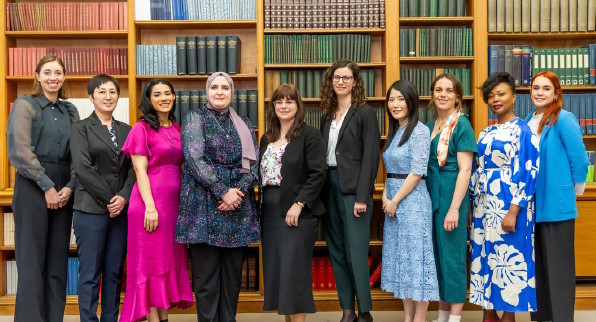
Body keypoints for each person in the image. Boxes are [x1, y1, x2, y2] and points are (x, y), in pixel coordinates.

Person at [175, 72, 260, 322]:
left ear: (232, 92)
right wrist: (223, 190)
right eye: (215, 87)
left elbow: (254, 165)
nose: (220, 92)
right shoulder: (195, 118)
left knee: (232, 280)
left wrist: (238, 192)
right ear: (207, 91)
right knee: (207, 281)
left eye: (225, 87)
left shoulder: (243, 123)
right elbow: (194, 159)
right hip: (203, 207)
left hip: (237, 208)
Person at [6, 54, 79, 322]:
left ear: (64, 77)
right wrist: (47, 186)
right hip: (32, 185)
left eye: (58, 72)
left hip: (64, 188)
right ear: (37, 76)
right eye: (47, 72)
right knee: (32, 263)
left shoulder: (70, 110)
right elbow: (20, 150)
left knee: (57, 263)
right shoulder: (26, 104)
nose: (53, 77)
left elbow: (77, 154)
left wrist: (70, 186)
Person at [119, 78, 193, 322]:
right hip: (149, 204)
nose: (164, 97)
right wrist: (150, 207)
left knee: (165, 262)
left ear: (173, 97)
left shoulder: (177, 129)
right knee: (150, 264)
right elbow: (139, 170)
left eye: (168, 93)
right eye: (157, 94)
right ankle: (152, 319)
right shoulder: (141, 128)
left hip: (173, 207)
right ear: (148, 100)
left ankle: (163, 317)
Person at [469, 72, 540, 322]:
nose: (495, 100)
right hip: (484, 206)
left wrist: (513, 211)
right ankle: (489, 313)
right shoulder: (485, 133)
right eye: (490, 96)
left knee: (509, 258)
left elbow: (529, 172)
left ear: (513, 96)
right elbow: (476, 170)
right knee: (485, 255)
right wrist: (471, 204)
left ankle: (508, 316)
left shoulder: (524, 131)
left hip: (511, 206)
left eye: (501, 94)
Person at [69, 74, 135, 322]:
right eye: (101, 92)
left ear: (119, 96)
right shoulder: (81, 128)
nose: (108, 96)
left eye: (113, 92)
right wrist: (112, 200)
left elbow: (133, 169)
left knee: (114, 271)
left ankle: (110, 318)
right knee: (90, 273)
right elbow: (83, 169)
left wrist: (124, 198)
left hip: (120, 212)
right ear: (91, 97)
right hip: (90, 210)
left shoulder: (126, 129)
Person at [525, 71, 589, 322]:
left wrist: (572, 191)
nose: (539, 92)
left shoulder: (564, 118)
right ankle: (542, 318)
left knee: (559, 270)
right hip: (532, 207)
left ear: (556, 93)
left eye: (546, 88)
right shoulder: (529, 120)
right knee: (538, 268)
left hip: (557, 205)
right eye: (535, 88)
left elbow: (580, 159)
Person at [320, 59, 380, 322]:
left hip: (353, 191)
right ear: (330, 81)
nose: (340, 82)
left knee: (356, 251)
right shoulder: (326, 115)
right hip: (328, 188)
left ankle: (364, 311)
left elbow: (371, 157)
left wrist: (362, 196)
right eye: (336, 77)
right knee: (337, 251)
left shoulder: (364, 113)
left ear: (355, 82)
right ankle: (347, 309)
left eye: (346, 78)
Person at [260, 84, 326, 322]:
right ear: (273, 107)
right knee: (280, 275)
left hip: (297, 211)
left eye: (289, 101)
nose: (284, 106)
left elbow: (318, 173)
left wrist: (299, 204)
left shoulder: (310, 135)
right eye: (279, 102)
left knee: (294, 274)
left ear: (298, 106)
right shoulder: (266, 139)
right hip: (269, 213)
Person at [380, 80, 439, 322]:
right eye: (391, 99)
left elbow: (416, 172)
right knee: (402, 262)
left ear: (411, 101)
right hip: (393, 200)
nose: (395, 104)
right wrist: (385, 196)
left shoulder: (420, 131)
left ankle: (420, 319)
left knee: (417, 262)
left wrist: (394, 200)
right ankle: (408, 317)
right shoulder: (395, 131)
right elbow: (391, 170)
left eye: (400, 99)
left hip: (413, 203)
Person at [425, 74, 476, 322]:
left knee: (453, 257)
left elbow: (465, 169)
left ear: (457, 96)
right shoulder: (429, 125)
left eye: (449, 90)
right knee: (437, 256)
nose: (443, 94)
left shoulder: (462, 125)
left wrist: (455, 208)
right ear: (432, 95)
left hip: (451, 195)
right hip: (432, 195)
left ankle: (455, 318)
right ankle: (442, 315)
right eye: (438, 90)